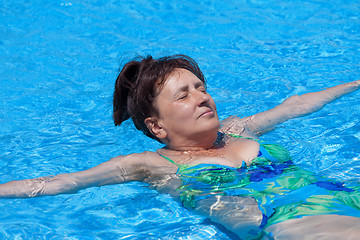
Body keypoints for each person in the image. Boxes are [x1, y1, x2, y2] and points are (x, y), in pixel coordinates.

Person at [0, 54, 359, 239]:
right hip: (280, 223)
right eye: (184, 96)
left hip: (338, 197)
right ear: (157, 126)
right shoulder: (152, 164)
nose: (202, 98)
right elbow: (65, 182)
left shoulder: (238, 130)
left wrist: (354, 83)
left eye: (201, 87)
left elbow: (293, 106)